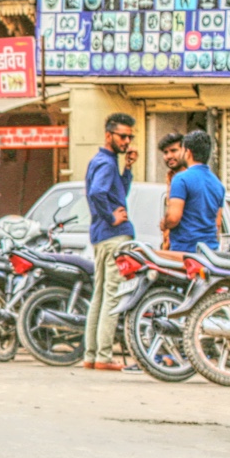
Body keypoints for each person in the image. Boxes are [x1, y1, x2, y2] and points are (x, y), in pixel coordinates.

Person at [83, 112, 136, 370]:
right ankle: (104, 356)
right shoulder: (105, 163)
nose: (126, 141)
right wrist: (111, 217)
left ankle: (91, 354)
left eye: (130, 136)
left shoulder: (105, 161)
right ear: (108, 135)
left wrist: (127, 169)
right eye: (122, 136)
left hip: (101, 236)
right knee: (112, 296)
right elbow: (98, 193)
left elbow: (117, 193)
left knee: (100, 295)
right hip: (113, 236)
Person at [162, 130, 225, 256]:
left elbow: (174, 217)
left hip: (185, 253)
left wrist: (165, 224)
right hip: (210, 254)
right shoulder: (218, 184)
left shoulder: (181, 179)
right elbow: (217, 224)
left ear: (188, 152)